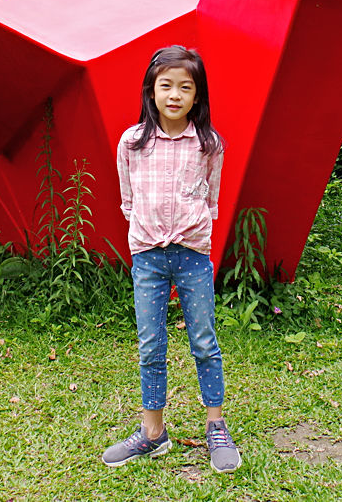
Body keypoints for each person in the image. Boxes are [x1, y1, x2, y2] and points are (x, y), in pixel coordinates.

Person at [101, 45, 241, 473]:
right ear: (151, 90)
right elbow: (128, 199)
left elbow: (211, 200)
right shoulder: (132, 142)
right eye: (166, 85)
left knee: (203, 340)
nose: (175, 95)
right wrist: (149, 234)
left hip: (193, 256)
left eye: (186, 87)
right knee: (151, 345)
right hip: (148, 256)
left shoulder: (208, 144)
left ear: (197, 96)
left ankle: (215, 426)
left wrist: (189, 234)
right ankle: (152, 433)